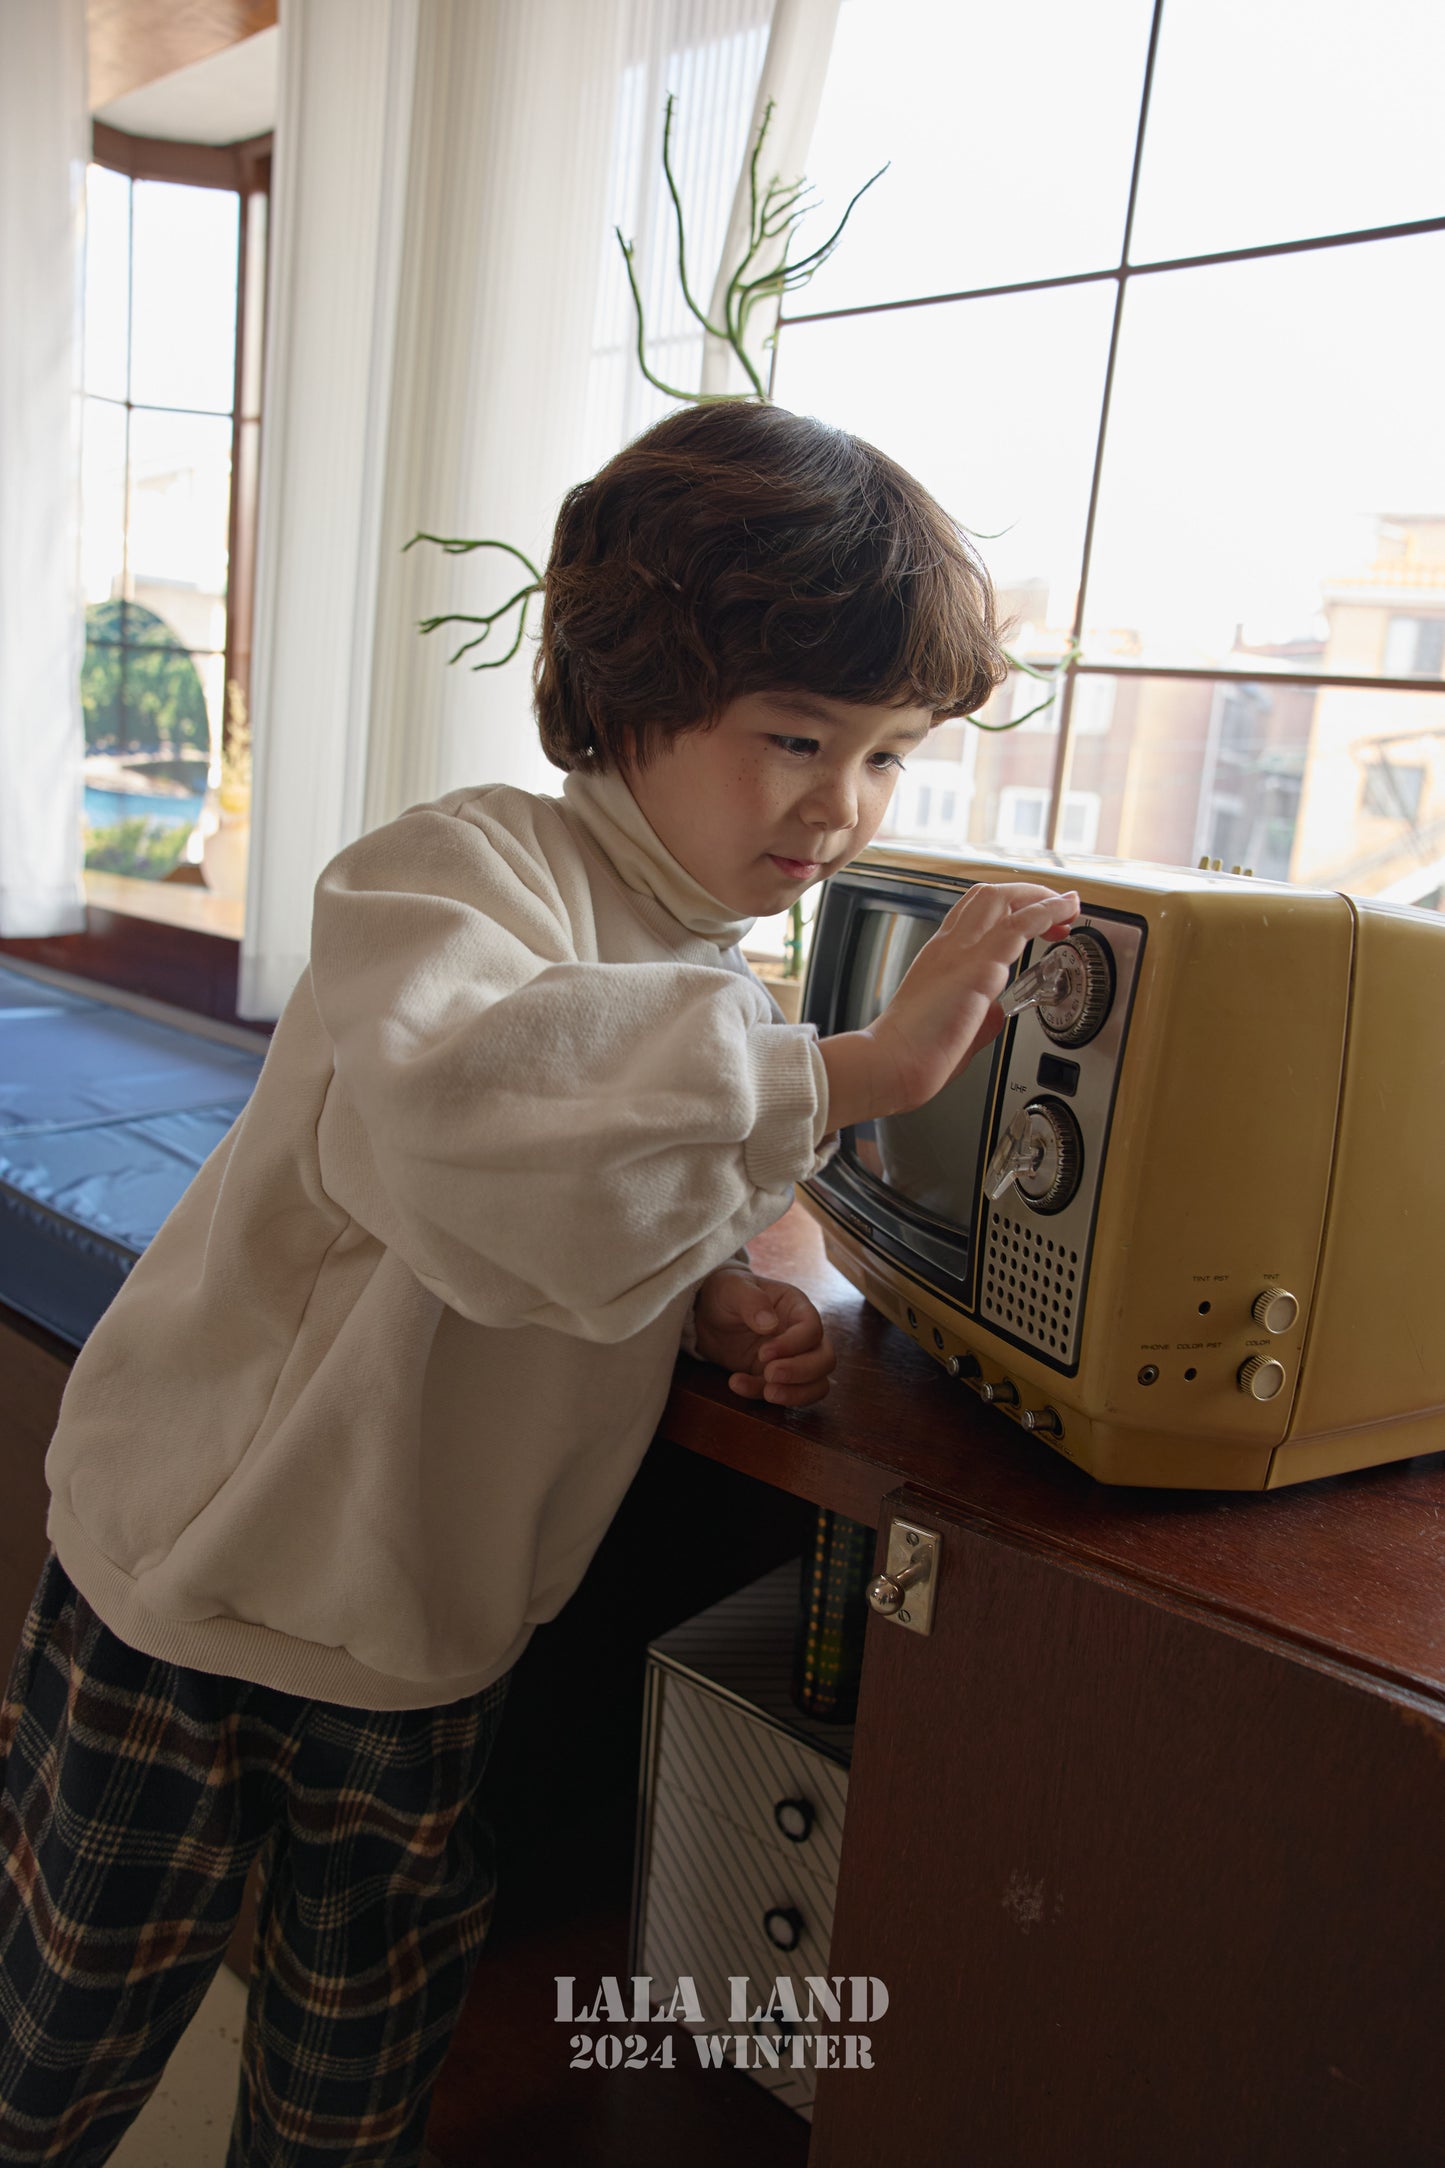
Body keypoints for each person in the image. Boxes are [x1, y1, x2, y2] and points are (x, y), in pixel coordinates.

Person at [0, 399, 1076, 2166]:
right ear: (632, 692)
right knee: (60, 2031)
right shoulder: (460, 868)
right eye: (797, 735)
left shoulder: (702, 959)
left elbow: (573, 1226)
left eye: (889, 754)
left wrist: (712, 1290)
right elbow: (465, 1117)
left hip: (425, 1631)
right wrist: (844, 1077)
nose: (842, 803)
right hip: (192, 1580)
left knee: (355, 2071)